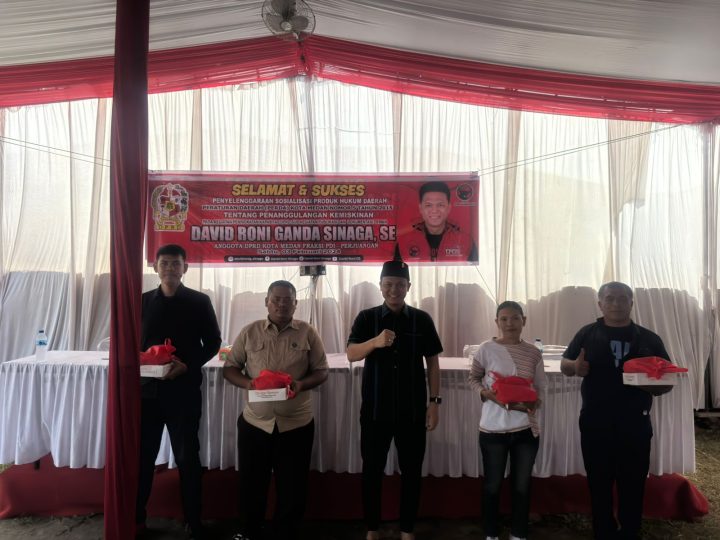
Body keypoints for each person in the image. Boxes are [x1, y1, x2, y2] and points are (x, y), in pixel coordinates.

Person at [560, 282, 673, 540]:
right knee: (598, 481)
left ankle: (630, 531)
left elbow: (667, 381)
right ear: (600, 304)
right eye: (610, 298)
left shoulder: (649, 339)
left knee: (633, 481)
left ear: (631, 303)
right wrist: (574, 367)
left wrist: (651, 385)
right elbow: (566, 363)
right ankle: (603, 531)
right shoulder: (587, 334)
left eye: (623, 298)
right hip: (595, 422)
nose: (616, 303)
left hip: (635, 423)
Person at [223, 280, 329, 540]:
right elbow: (230, 368)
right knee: (251, 484)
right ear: (267, 302)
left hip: (296, 425)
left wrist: (301, 384)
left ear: (296, 303)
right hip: (255, 424)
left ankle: (286, 533)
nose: (282, 304)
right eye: (276, 299)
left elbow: (322, 370)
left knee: (292, 487)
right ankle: (249, 532)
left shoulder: (308, 333)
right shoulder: (249, 332)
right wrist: (248, 383)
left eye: (287, 300)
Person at [346, 260, 443, 540]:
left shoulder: (422, 319)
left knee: (412, 472)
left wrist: (434, 403)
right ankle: (372, 529)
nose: (394, 290)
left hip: (412, 411)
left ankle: (407, 529)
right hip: (375, 410)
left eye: (400, 285)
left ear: (408, 287)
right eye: (388, 284)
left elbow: (433, 363)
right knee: (371, 471)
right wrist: (374, 342)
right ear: (380, 286)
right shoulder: (367, 318)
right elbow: (351, 353)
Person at [137, 244, 222, 539]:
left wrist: (188, 365)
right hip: (147, 393)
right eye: (164, 263)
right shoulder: (142, 301)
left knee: (188, 458)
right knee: (143, 458)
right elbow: (133, 341)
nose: (170, 269)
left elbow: (213, 342)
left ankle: (193, 521)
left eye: (176, 263)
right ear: (155, 267)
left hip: (183, 392)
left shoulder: (199, 301)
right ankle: (136, 520)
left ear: (185, 268)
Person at [468, 301, 547, 540]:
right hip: (492, 430)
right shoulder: (486, 349)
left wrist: (534, 403)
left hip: (525, 430)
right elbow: (473, 378)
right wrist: (486, 394)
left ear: (524, 321)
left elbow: (540, 386)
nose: (509, 323)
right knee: (492, 485)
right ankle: (491, 533)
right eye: (504, 319)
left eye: (515, 318)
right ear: (496, 322)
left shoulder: (533, 352)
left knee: (522, 486)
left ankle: (518, 533)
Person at [395, 180, 478, 263]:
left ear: (449, 207)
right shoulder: (404, 243)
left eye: (440, 205)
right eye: (428, 205)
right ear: (420, 208)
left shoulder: (466, 242)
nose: (434, 210)